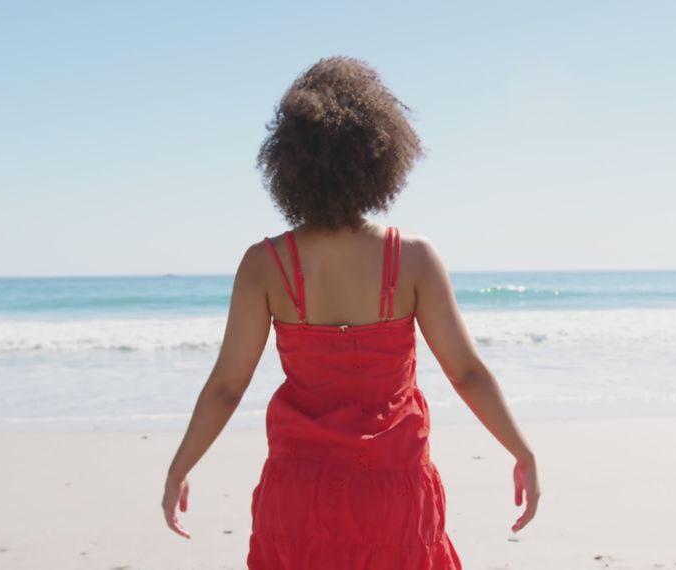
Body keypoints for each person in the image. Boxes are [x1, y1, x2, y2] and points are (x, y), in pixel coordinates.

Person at [162, 55, 539, 569]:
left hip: (299, 494)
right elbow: (467, 373)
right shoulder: (413, 259)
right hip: (392, 491)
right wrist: (522, 450)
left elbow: (227, 387)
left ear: (289, 162)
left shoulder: (264, 265)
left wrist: (180, 466)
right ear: (379, 155)